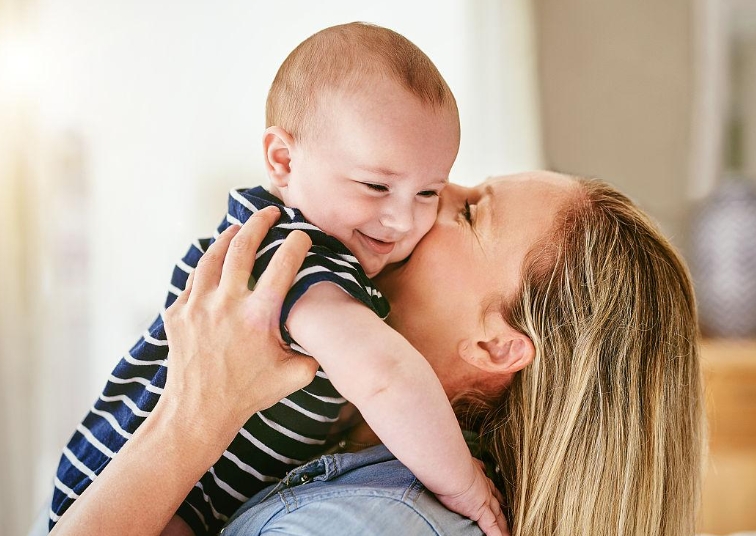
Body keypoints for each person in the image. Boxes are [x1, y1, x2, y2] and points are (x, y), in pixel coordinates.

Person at [49, 171, 704, 536]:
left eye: (471, 212)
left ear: (497, 344)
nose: (437, 188)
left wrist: (192, 417)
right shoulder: (328, 438)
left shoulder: (363, 525)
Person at [50, 22, 508, 536]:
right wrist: (463, 484)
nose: (403, 220)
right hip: (145, 491)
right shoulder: (294, 253)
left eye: (428, 192)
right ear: (284, 161)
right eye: (376, 185)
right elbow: (386, 375)